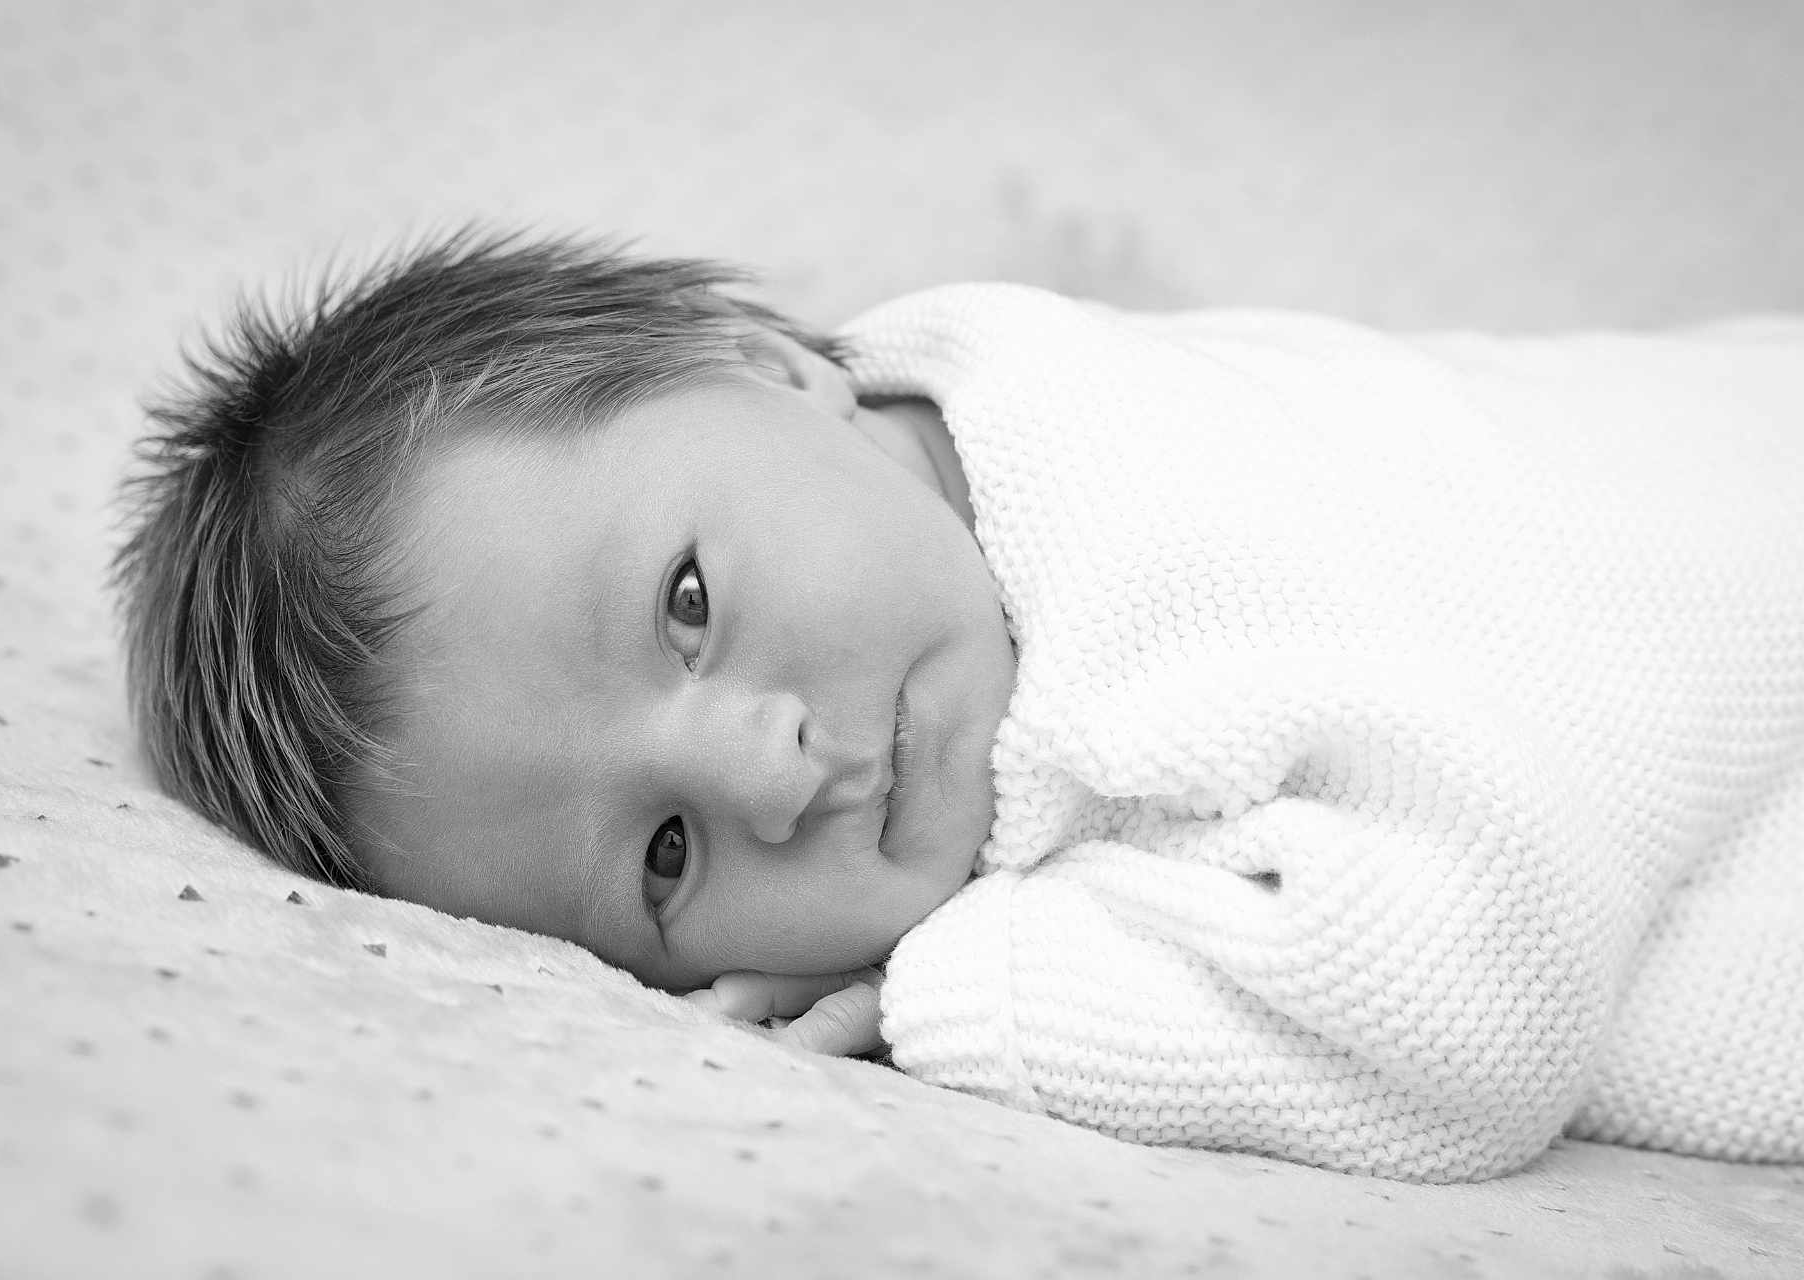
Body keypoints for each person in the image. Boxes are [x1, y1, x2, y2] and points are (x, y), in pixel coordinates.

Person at [115, 230, 1804, 1181]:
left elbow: (1479, 1013)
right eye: (667, 861)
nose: (764, 772)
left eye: (687, 607)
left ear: (778, 370)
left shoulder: (1144, 531)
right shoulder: (917, 463)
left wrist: (972, 988)